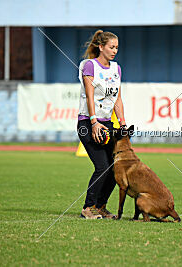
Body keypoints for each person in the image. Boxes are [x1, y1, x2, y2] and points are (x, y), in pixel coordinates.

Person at [77, 30, 126, 219]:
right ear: (101, 47)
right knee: (102, 166)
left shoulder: (116, 69)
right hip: (88, 123)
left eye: (116, 48)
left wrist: (122, 123)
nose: (114, 51)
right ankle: (87, 208)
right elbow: (89, 96)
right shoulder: (90, 66)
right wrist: (94, 122)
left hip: (107, 123)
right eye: (111, 47)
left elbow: (118, 100)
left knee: (115, 168)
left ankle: (100, 206)